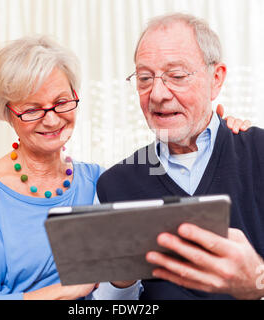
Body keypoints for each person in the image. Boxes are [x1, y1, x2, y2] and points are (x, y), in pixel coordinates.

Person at [96, 13, 264, 300]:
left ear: (216, 79)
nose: (158, 94)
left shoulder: (259, 154)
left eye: (176, 76)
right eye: (145, 78)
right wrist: (120, 281)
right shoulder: (114, 184)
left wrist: (258, 284)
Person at [0, 35, 140, 300]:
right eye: (33, 109)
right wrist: (61, 292)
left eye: (61, 102)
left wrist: (125, 278)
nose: (52, 119)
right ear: (7, 113)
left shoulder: (98, 181)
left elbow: (118, 298)